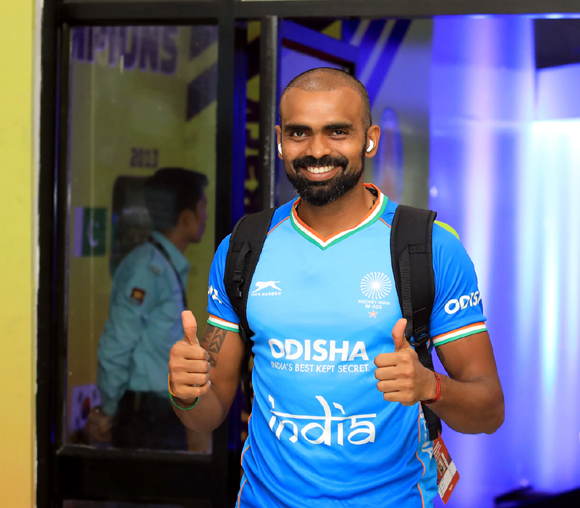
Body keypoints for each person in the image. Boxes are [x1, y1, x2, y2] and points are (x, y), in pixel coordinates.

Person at [168, 68, 504, 506]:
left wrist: (430, 387)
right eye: (299, 133)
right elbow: (206, 416)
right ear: (279, 141)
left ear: (370, 139)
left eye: (338, 131)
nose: (317, 150)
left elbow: (489, 410)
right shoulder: (244, 248)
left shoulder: (428, 248)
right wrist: (185, 393)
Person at [89, 167, 209, 450]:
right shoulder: (149, 269)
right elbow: (116, 345)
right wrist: (109, 410)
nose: (205, 217)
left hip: (161, 413)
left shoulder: (164, 265)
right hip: (146, 418)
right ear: (187, 216)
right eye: (202, 208)